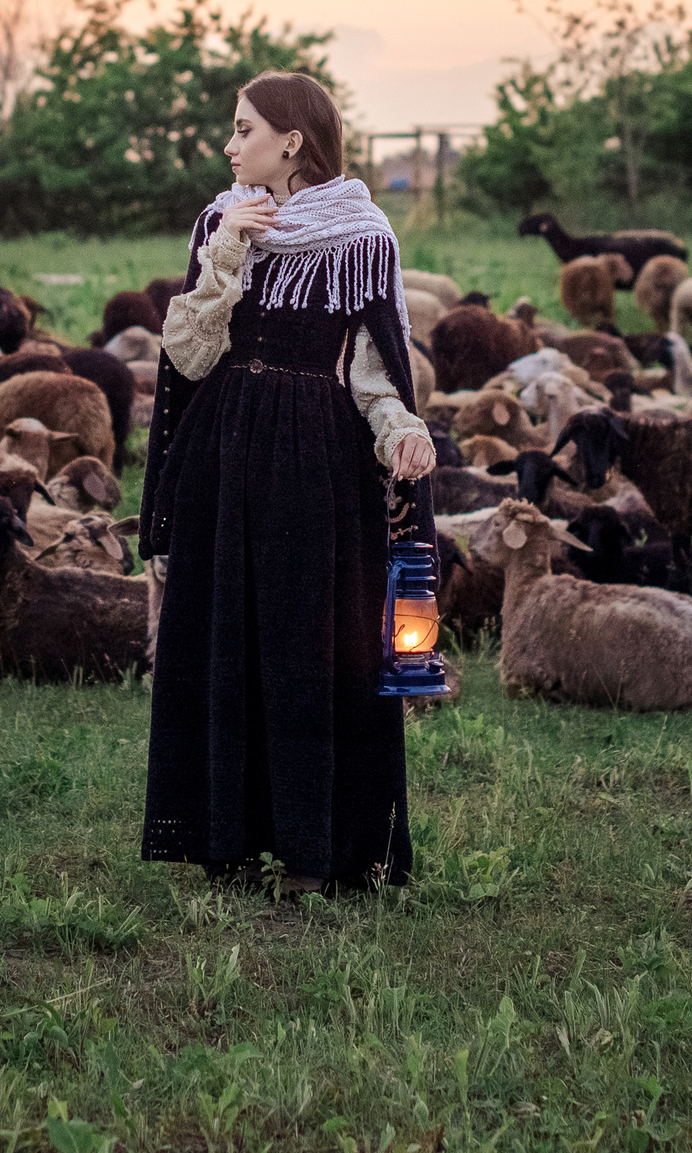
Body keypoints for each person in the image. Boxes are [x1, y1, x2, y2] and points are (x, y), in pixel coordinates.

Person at [137, 71, 438, 893]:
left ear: (291, 141)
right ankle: (222, 839)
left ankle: (318, 851)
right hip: (225, 455)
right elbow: (189, 356)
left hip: (317, 464)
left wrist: (403, 433)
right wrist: (226, 247)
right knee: (221, 640)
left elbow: (375, 376)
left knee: (313, 653)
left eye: (243, 130)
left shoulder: (363, 237)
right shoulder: (221, 222)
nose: (230, 147)